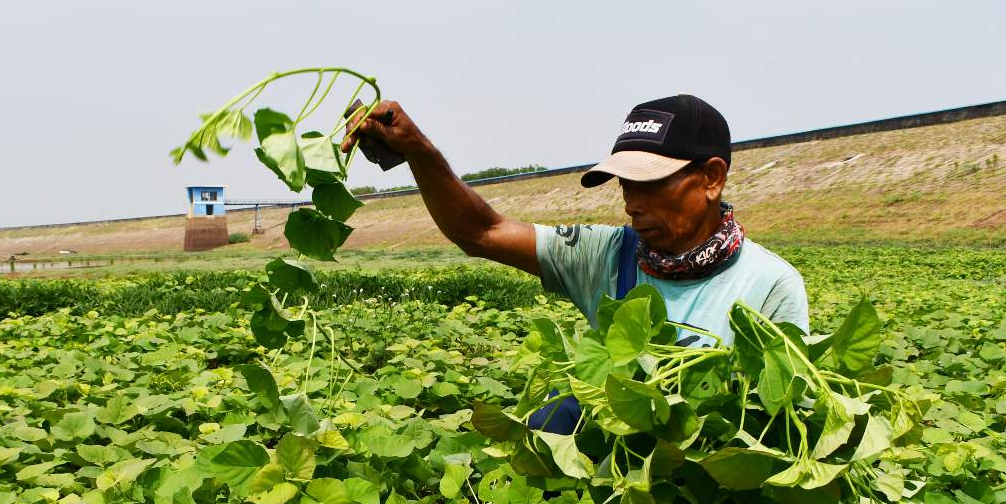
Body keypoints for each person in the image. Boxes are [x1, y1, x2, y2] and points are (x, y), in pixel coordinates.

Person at [342, 93, 809, 432]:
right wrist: (418, 150)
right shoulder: (607, 254)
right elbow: (481, 232)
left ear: (711, 178)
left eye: (651, 185)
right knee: (555, 410)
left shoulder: (769, 284)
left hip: (701, 497)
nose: (631, 205)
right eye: (626, 186)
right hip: (610, 482)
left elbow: (780, 416)